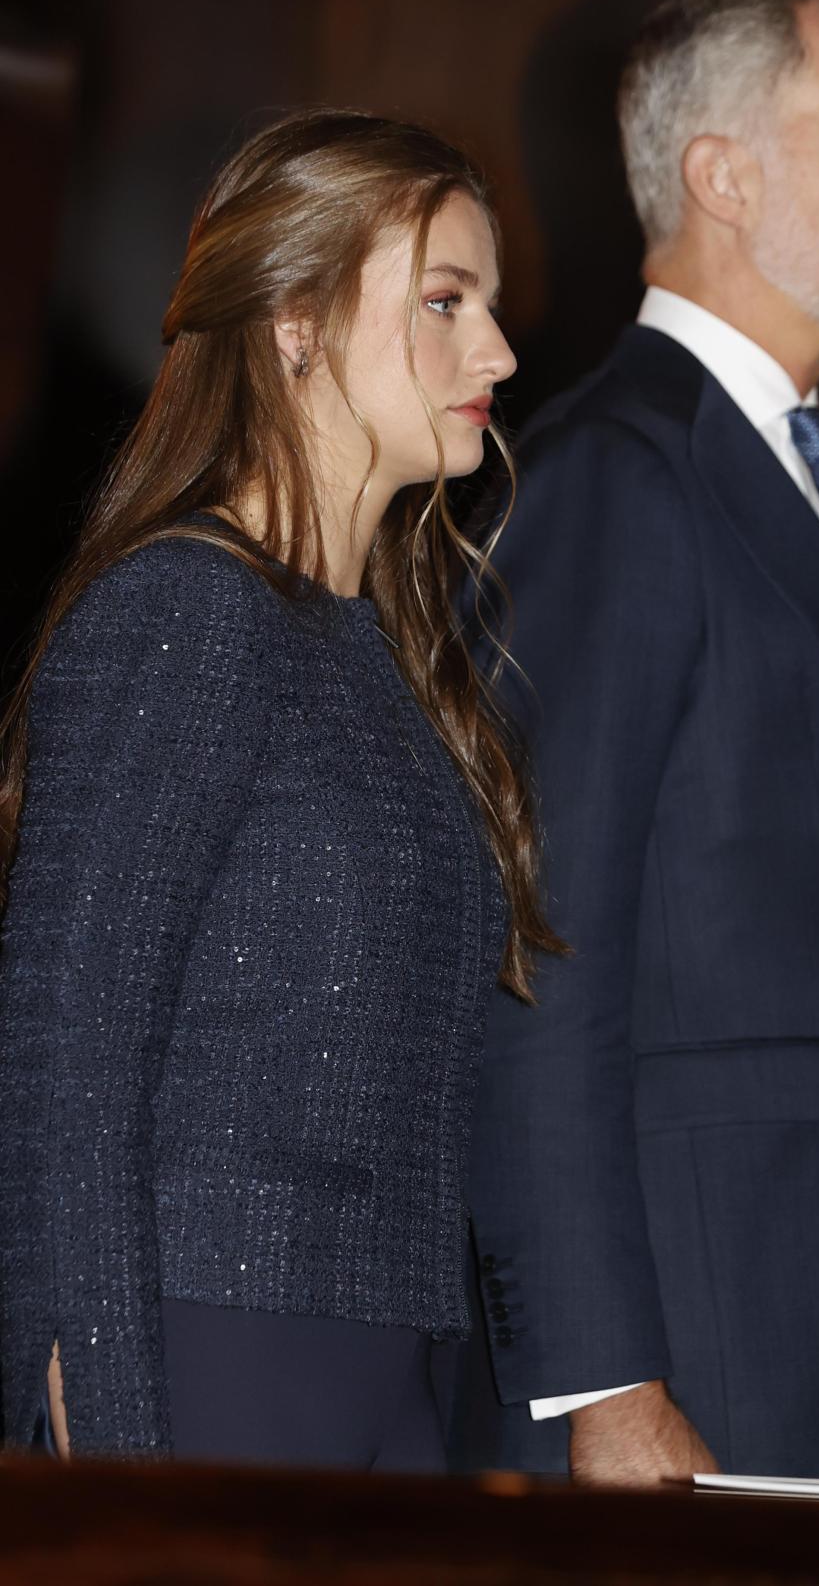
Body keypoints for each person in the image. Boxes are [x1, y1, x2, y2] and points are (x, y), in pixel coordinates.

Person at [455, 0, 819, 1486]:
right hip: (713, 1364)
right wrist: (603, 1382)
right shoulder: (618, 475)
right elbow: (535, 952)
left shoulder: (813, 495)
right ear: (720, 176)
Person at [0, 108, 562, 1467]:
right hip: (218, 1348)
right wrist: (117, 1437)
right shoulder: (188, 611)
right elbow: (67, 1059)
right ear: (296, 320)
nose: (495, 350)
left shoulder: (387, 652)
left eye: (486, 304)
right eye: (445, 301)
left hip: (388, 1373)